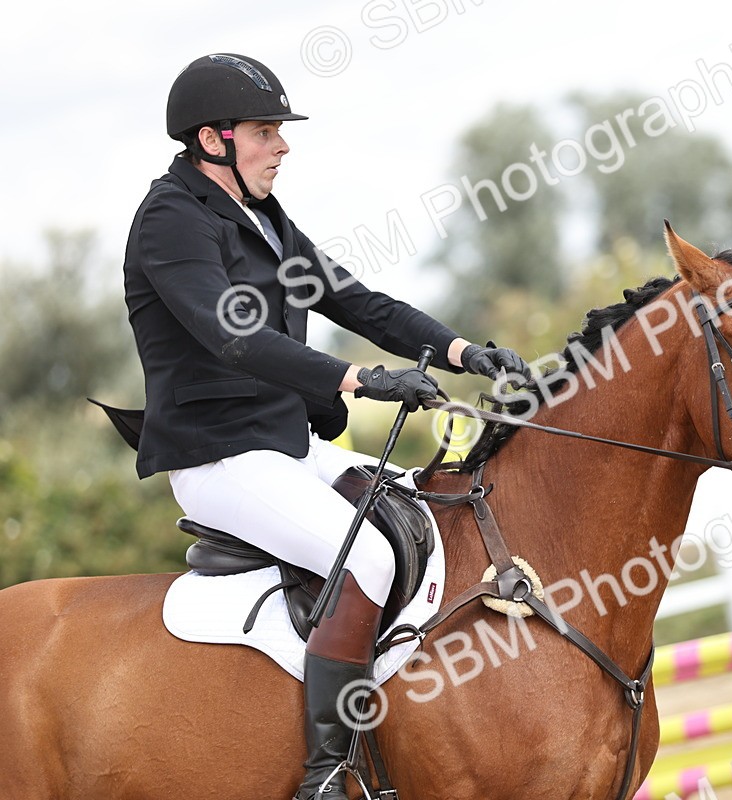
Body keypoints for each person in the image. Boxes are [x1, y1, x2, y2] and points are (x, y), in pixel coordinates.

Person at [123, 53, 530, 800]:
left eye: (279, 131)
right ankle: (326, 774)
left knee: (430, 513)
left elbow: (359, 302)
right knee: (369, 561)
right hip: (219, 458)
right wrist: (362, 380)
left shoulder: (261, 218)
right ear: (214, 140)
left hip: (286, 445)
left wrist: (467, 351)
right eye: (266, 131)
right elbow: (231, 333)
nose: (282, 145)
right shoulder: (170, 221)